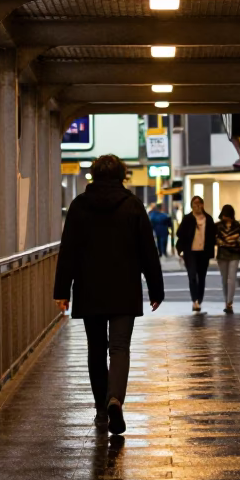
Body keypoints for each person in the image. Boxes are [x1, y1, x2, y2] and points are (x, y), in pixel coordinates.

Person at [53, 154, 164, 435]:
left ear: (94, 175)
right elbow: (147, 251)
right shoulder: (133, 205)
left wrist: (62, 291)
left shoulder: (79, 206)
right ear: (122, 175)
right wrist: (156, 288)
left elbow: (68, 251)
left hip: (90, 288)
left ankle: (102, 408)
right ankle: (115, 398)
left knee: (96, 348)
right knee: (119, 348)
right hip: (124, 287)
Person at [176, 194, 216, 312]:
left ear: (202, 205)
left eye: (199, 203)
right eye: (195, 204)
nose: (197, 206)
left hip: (204, 252)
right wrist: (181, 248)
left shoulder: (208, 219)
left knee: (202, 277)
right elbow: (180, 234)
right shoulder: (188, 218)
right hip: (190, 252)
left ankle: (199, 299)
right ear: (192, 205)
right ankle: (194, 300)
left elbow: (213, 235)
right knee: (192, 276)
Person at [215, 205, 240, 313]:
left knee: (231, 278)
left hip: (233, 254)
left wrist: (224, 241)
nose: (225, 217)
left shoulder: (236, 226)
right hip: (224, 254)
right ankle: (227, 302)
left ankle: (229, 302)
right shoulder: (218, 226)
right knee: (225, 279)